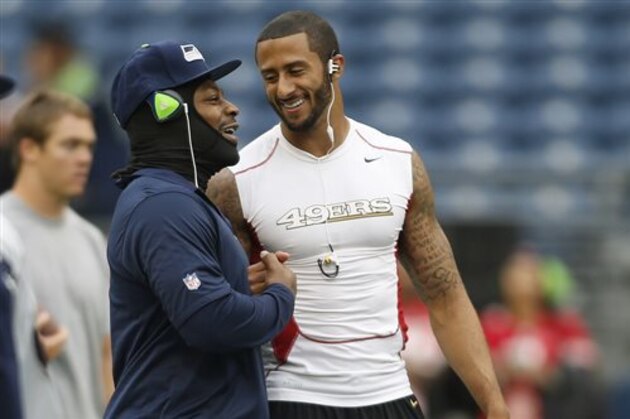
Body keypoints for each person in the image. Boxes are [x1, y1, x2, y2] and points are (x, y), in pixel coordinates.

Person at [207, 10, 509, 419]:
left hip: (390, 395)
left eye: (296, 70)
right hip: (291, 399)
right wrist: (240, 290)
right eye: (270, 76)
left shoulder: (398, 161)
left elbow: (446, 297)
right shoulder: (236, 181)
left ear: (336, 66)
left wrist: (493, 404)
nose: (284, 88)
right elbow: (215, 312)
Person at [106, 40, 297, 418]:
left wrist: (237, 288)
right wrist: (279, 294)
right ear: (167, 112)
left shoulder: (179, 198)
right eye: (212, 100)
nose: (232, 108)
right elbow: (213, 324)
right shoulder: (163, 205)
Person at [0, 90, 113, 419]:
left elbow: (106, 353)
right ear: (28, 149)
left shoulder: (92, 239)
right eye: (70, 145)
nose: (84, 158)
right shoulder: (4, 235)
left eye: (89, 146)